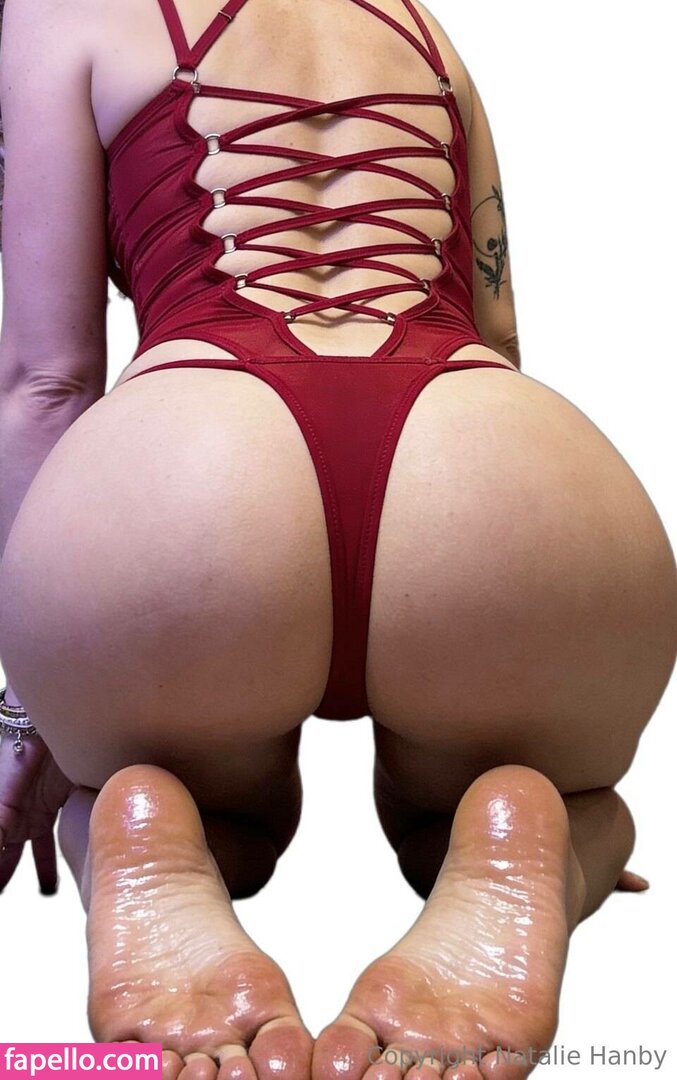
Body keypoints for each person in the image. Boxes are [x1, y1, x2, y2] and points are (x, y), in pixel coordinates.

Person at [0, 0, 675, 1076]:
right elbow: (498, 331)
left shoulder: (57, 12)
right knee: (502, 797)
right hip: (482, 468)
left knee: (211, 803)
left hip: (188, 487)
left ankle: (138, 828)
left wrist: (28, 705)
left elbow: (47, 381)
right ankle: (530, 834)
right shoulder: (423, 27)